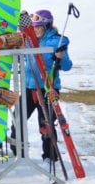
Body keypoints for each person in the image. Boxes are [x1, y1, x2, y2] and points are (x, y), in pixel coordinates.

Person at [21, 9, 72, 162]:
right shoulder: (28, 40)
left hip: (47, 88)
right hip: (29, 87)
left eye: (39, 27)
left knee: (46, 124)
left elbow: (67, 66)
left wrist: (60, 58)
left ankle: (51, 156)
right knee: (18, 119)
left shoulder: (56, 41)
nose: (35, 30)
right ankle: (17, 152)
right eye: (34, 27)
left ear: (46, 26)